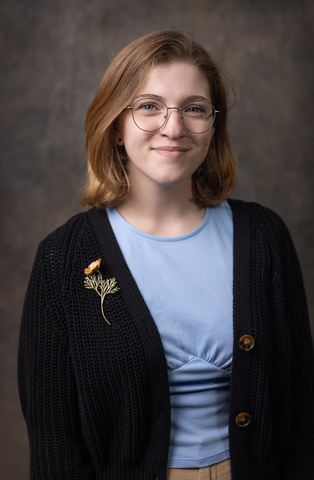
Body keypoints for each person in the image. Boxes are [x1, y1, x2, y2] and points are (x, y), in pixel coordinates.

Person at [18, 29, 314, 480]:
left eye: (194, 108)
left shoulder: (265, 238)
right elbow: (55, 443)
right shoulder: (62, 259)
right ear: (116, 126)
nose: (173, 128)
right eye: (149, 106)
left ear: (213, 127)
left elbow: (300, 413)